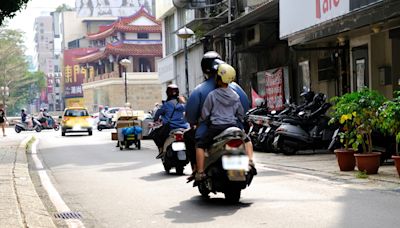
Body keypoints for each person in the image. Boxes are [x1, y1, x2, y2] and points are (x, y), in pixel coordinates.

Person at [185, 51, 255, 182]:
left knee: (197, 143)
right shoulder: (236, 91)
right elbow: (244, 109)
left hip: (211, 128)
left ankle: (198, 170)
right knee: (247, 139)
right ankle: (250, 162)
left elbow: (195, 115)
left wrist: (198, 121)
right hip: (234, 127)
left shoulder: (202, 91)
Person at [153, 84, 189, 158]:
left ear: (167, 93)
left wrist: (155, 119)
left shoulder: (166, 105)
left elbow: (158, 113)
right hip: (185, 127)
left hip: (171, 127)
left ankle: (161, 150)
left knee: (155, 135)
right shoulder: (183, 103)